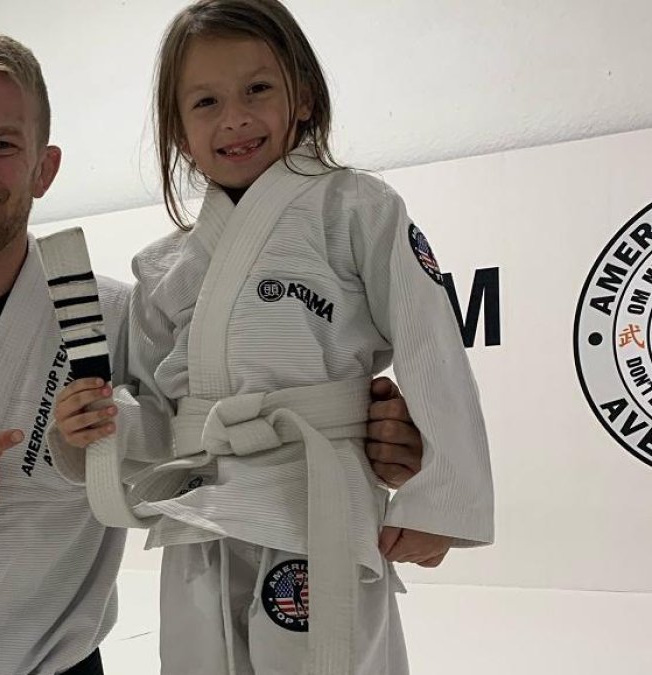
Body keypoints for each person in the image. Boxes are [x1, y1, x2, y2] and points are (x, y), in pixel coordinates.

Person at [0, 30, 426, 675]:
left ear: (44, 168)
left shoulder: (118, 320)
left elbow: (228, 444)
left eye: (1, 144)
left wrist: (364, 436)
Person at [52, 2, 494, 673]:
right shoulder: (163, 266)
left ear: (305, 95)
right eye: (205, 102)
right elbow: (154, 412)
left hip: (314, 499)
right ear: (178, 131)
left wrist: (441, 497)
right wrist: (100, 427)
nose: (234, 117)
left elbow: (430, 339)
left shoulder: (356, 209)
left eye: (257, 89)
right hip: (199, 510)